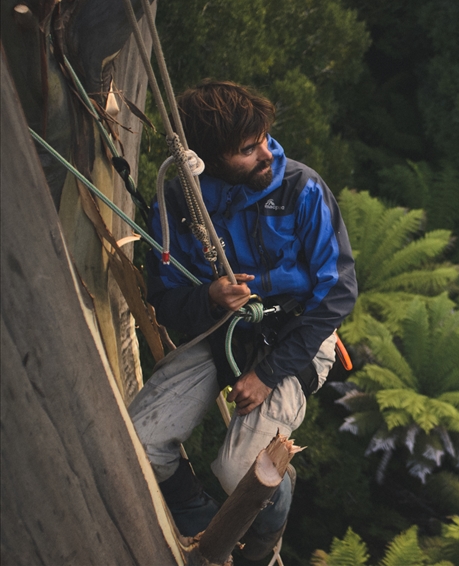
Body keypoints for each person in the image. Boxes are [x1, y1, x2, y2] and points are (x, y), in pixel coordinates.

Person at [127, 80, 357, 558]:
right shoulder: (177, 205)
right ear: (210, 158)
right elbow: (165, 302)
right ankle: (202, 523)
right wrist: (210, 296)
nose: (266, 154)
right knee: (140, 442)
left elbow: (337, 291)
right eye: (248, 150)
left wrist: (268, 373)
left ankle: (262, 546)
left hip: (295, 337)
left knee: (241, 473)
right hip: (222, 332)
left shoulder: (302, 189)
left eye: (264, 139)